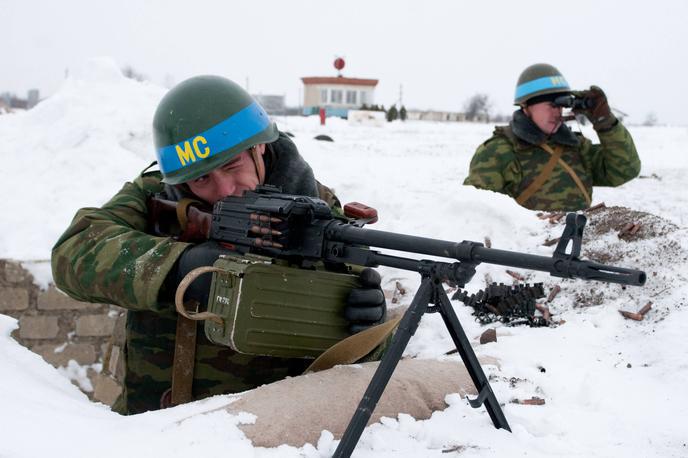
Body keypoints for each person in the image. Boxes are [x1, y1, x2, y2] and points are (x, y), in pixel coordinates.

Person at [51, 75, 387, 414]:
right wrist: (181, 267)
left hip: (261, 432)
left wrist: (368, 329)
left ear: (259, 146)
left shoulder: (316, 209)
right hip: (150, 428)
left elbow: (354, 361)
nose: (226, 189)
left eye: (232, 165)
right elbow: (74, 251)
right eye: (202, 178)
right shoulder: (156, 196)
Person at [464, 63, 641, 211]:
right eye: (551, 105)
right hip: (526, 249)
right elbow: (477, 213)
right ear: (526, 106)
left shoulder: (576, 146)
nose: (558, 112)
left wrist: (605, 122)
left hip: (577, 244)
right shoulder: (499, 151)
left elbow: (624, 171)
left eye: (561, 106)